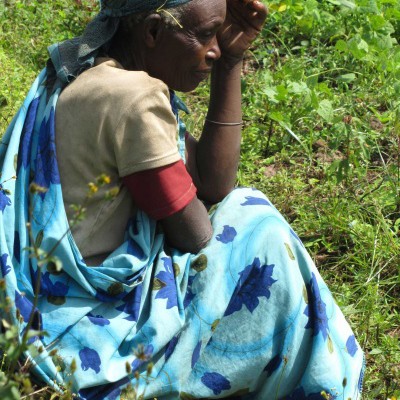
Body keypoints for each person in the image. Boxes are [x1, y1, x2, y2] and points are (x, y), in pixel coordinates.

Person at [0, 0, 365, 399]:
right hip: (90, 339)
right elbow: (193, 233)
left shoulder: (82, 71)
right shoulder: (134, 97)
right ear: (154, 32)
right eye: (206, 34)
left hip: (42, 315)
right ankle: (327, 385)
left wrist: (231, 62)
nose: (215, 49)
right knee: (258, 225)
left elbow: (210, 181)